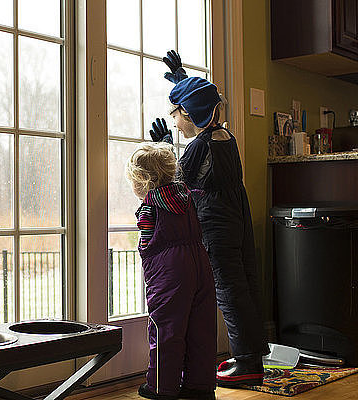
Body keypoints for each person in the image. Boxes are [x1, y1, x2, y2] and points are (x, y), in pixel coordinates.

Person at [150, 50, 270, 388]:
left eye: (176, 116)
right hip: (238, 219)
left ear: (189, 114)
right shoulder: (225, 137)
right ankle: (250, 356)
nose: (174, 122)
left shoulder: (198, 146)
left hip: (216, 225)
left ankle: (247, 364)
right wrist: (180, 77)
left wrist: (163, 147)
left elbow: (177, 184)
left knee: (229, 291)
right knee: (245, 284)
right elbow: (202, 96)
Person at [126, 142, 217, 400]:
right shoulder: (186, 196)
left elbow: (146, 243)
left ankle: (161, 387)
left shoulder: (149, 207)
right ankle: (200, 386)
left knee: (166, 327)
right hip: (200, 262)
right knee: (201, 328)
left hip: (169, 270)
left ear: (142, 181)